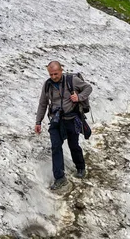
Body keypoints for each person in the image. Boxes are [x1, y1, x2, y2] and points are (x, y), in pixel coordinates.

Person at [35, 61, 92, 190]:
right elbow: (43, 104)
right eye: (51, 74)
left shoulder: (72, 80)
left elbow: (88, 88)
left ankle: (80, 167)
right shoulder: (47, 85)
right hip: (56, 120)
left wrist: (79, 97)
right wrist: (38, 121)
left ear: (61, 70)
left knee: (73, 145)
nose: (54, 76)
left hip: (72, 119)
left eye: (56, 73)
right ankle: (59, 178)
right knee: (55, 147)